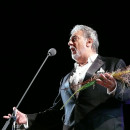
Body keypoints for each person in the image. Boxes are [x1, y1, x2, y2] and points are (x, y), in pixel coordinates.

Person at [3, 24, 130, 130]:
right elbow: (57, 112)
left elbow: (128, 95)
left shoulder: (113, 64)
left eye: (74, 39)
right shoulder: (66, 79)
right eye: (70, 40)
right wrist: (27, 119)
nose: (69, 43)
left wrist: (114, 87)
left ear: (89, 42)